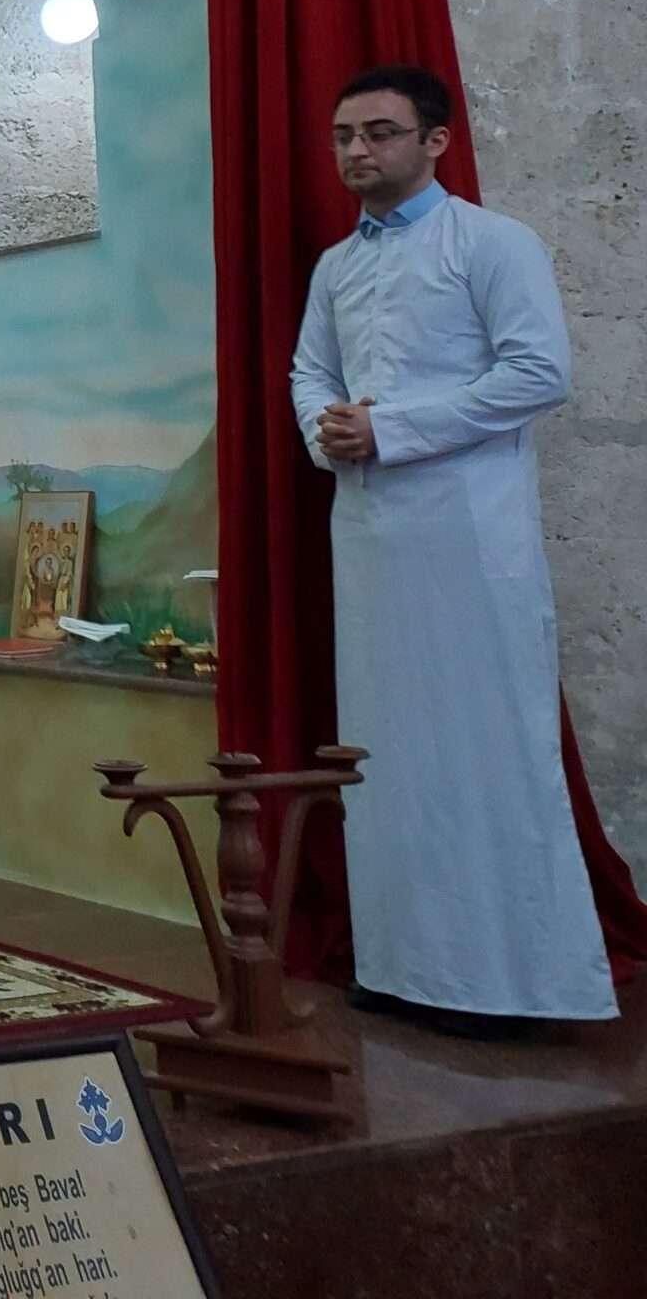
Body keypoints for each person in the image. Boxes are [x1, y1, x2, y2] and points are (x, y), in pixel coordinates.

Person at [290, 64, 614, 1026]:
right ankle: (402, 966)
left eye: (379, 132)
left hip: (470, 539)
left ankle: (515, 983)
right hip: (370, 536)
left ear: (435, 141)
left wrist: (392, 428)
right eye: (344, 135)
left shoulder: (493, 243)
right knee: (384, 752)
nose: (357, 150)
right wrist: (327, 428)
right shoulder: (336, 267)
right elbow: (310, 370)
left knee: (485, 745)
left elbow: (538, 373)